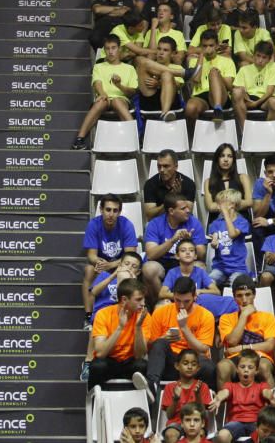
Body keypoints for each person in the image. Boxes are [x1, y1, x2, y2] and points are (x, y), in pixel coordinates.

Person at [143, 276, 216, 394]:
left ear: (195, 297)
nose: (181, 305)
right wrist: (163, 338)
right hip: (171, 363)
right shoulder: (160, 312)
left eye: (186, 301)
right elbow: (150, 347)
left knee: (210, 368)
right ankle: (152, 386)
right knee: (160, 343)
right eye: (177, 300)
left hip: (195, 362)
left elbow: (203, 349)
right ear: (173, 296)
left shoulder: (206, 315)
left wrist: (184, 328)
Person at [81, 194, 138, 330]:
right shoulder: (93, 225)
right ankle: (88, 317)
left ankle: (131, 315)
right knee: (89, 270)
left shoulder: (126, 225)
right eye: (108, 210)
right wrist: (99, 262)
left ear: (119, 212)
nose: (111, 214)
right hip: (101, 266)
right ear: (101, 210)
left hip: (122, 264)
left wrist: (112, 265)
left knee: (133, 269)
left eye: (115, 210)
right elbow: (91, 255)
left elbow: (130, 255)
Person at [72, 35, 139, 150]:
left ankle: (134, 138)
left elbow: (132, 92)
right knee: (100, 102)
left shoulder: (129, 68)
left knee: (117, 101)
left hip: (121, 99)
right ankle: (79, 139)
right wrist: (103, 94)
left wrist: (119, 85)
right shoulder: (98, 66)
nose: (110, 52)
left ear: (120, 49)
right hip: (104, 98)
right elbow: (97, 83)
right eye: (107, 48)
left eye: (113, 48)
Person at [216, 275, 275, 388]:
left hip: (261, 357)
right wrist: (244, 315)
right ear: (234, 297)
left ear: (254, 295)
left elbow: (270, 345)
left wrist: (242, 348)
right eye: (239, 296)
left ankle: (273, 404)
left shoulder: (268, 317)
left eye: (248, 294)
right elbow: (232, 341)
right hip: (234, 358)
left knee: (263, 367)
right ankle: (224, 404)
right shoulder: (226, 318)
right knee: (222, 367)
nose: (244, 300)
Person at [88, 278, 148, 389]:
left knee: (142, 365)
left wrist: (138, 327)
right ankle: (94, 402)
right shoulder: (103, 314)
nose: (143, 303)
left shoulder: (144, 316)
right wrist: (120, 328)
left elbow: (140, 355)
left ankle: (142, 405)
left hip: (130, 362)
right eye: (138, 299)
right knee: (98, 366)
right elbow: (100, 353)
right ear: (124, 300)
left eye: (144, 299)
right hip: (109, 361)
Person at [211, 349, 275, 443]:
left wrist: (270, 396)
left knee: (266, 434)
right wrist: (219, 398)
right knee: (222, 436)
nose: (246, 370)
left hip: (256, 423)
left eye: (250, 367)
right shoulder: (231, 386)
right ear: (237, 369)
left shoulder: (261, 386)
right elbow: (224, 392)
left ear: (256, 371)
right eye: (242, 367)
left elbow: (266, 392)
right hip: (235, 422)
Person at [144, 149, 198, 221]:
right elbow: (150, 216)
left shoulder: (188, 183)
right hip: (159, 223)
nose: (162, 170)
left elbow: (187, 213)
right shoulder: (150, 184)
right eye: (159, 166)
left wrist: (178, 196)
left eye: (166, 166)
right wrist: (170, 199)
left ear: (176, 166)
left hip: (181, 222)